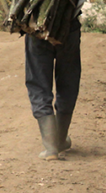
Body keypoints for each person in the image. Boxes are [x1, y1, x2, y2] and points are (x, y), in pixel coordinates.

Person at [24, 16, 81, 161]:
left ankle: (50, 147)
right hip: (69, 24)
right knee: (68, 81)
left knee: (38, 82)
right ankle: (60, 140)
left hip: (37, 25)